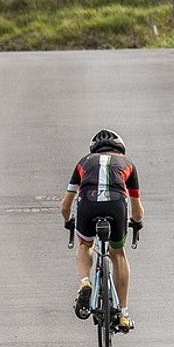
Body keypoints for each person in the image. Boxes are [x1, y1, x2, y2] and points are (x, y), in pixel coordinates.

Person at [60, 129, 144, 331]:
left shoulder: (83, 162)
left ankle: (85, 282)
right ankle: (123, 314)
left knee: (86, 244)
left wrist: (68, 221)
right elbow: (137, 209)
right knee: (118, 253)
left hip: (88, 202)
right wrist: (137, 222)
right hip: (116, 205)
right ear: (120, 149)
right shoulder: (128, 164)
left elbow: (65, 205)